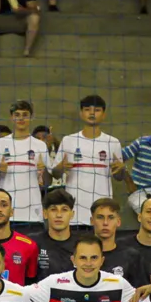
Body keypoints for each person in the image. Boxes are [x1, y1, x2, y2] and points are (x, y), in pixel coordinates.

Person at [50, 94, 122, 227]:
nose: (92, 113)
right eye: (88, 109)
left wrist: (121, 170)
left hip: (102, 211)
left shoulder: (113, 142)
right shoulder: (68, 140)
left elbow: (118, 177)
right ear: (81, 113)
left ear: (104, 114)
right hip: (74, 210)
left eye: (97, 110)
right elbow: (55, 174)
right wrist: (60, 167)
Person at [0, 99, 51, 231]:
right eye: (17, 115)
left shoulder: (40, 145)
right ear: (12, 117)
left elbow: (47, 182)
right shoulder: (0, 143)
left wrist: (43, 171)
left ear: (31, 117)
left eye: (25, 114)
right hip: (6, 212)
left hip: (32, 213)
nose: (21, 118)